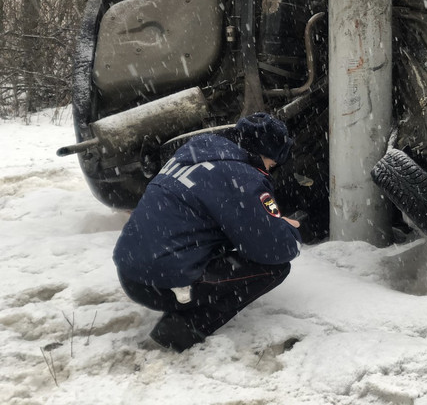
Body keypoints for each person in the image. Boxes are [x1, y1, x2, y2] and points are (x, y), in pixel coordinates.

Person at [113, 112, 301, 352]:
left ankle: (184, 293)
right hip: (159, 286)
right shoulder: (242, 178)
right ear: (265, 155)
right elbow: (275, 249)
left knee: (224, 235)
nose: (270, 169)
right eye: (272, 164)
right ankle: (181, 330)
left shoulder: (196, 150)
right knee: (275, 267)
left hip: (130, 272)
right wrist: (286, 227)